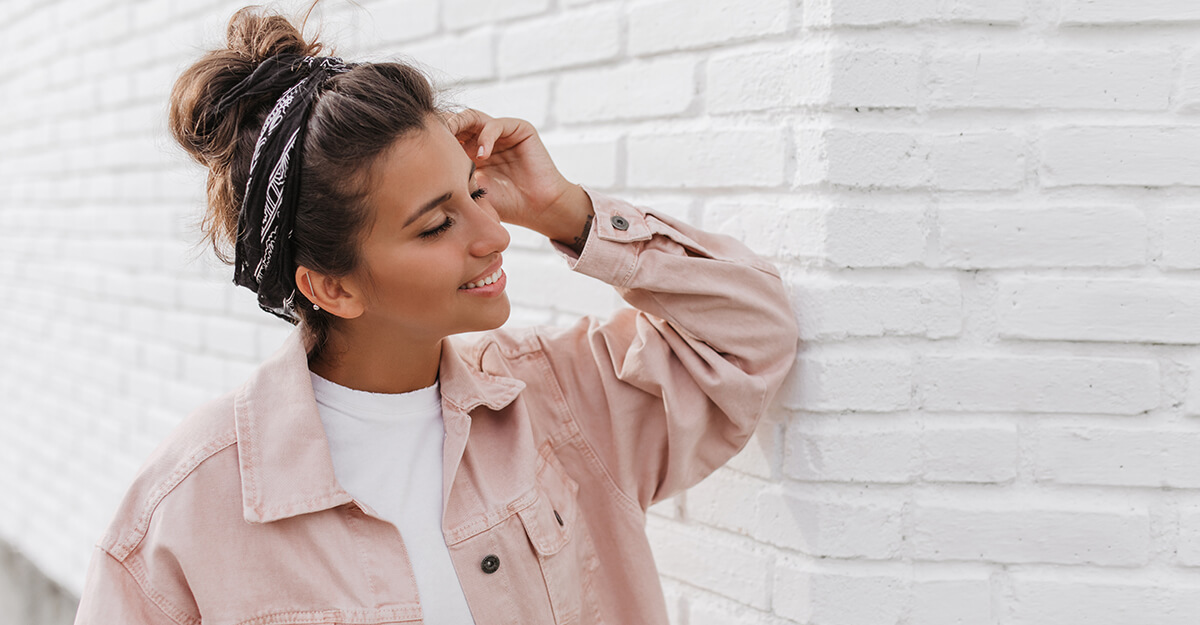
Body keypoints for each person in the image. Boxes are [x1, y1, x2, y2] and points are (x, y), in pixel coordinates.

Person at [72, 6, 798, 625]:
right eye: (434, 224)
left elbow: (752, 334)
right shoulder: (187, 512)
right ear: (332, 287)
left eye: (475, 193)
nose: (495, 235)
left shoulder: (559, 404)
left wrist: (568, 212)